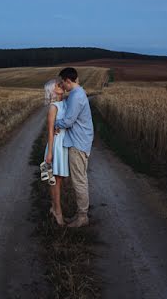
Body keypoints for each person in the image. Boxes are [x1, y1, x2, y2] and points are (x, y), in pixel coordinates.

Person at [53, 66, 94, 228]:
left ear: (68, 80)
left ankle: (82, 217)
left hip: (78, 143)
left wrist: (54, 124)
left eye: (63, 83)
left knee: (79, 181)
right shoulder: (78, 93)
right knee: (80, 179)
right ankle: (80, 214)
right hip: (80, 141)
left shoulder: (76, 96)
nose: (62, 86)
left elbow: (68, 121)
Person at [43, 78, 69, 225]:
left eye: (61, 84)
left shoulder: (66, 102)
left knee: (60, 179)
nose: (62, 86)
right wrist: (50, 153)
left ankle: (54, 207)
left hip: (64, 144)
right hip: (56, 145)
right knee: (55, 180)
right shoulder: (53, 107)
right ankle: (58, 212)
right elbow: (50, 132)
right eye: (58, 85)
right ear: (52, 91)